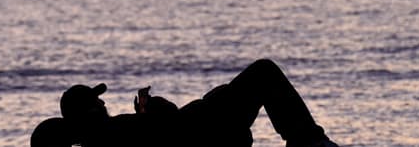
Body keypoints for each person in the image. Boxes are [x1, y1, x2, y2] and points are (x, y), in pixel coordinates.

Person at [31, 59, 339, 147]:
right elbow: (168, 122)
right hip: (208, 127)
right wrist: (149, 108)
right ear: (87, 113)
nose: (102, 105)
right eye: (96, 103)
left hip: (205, 121)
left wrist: (143, 113)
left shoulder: (108, 134)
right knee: (264, 72)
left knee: (260, 76)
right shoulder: (110, 134)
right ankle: (309, 142)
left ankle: (307, 140)